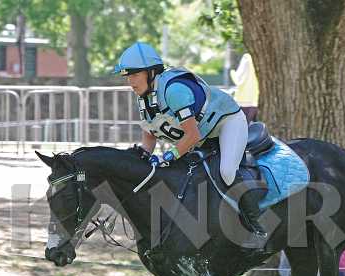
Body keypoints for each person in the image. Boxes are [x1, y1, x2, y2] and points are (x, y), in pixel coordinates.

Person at [113, 42, 267, 241]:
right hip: (201, 136)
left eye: (134, 75)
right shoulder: (143, 98)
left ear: (151, 72)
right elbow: (149, 135)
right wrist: (141, 157)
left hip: (226, 124)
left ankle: (255, 220)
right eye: (127, 77)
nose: (130, 82)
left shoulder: (174, 90)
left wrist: (167, 156)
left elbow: (192, 136)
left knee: (227, 171)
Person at [230, 53, 259, 123]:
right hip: (256, 100)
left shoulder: (247, 57)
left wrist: (232, 72)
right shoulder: (261, 58)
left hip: (243, 100)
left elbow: (238, 79)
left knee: (243, 126)